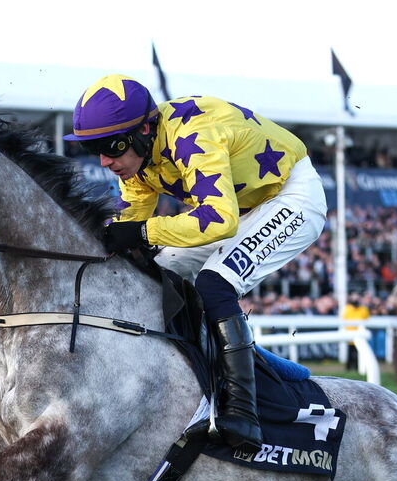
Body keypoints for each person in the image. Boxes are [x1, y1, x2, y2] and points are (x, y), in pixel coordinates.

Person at [65, 75, 327, 453]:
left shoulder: (195, 136)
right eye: (95, 150)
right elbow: (132, 220)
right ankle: (192, 382)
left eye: (112, 147)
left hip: (291, 194)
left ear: (144, 129)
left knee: (214, 284)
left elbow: (219, 220)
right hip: (242, 207)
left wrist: (140, 234)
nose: (106, 161)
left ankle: (242, 410)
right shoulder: (138, 160)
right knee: (160, 276)